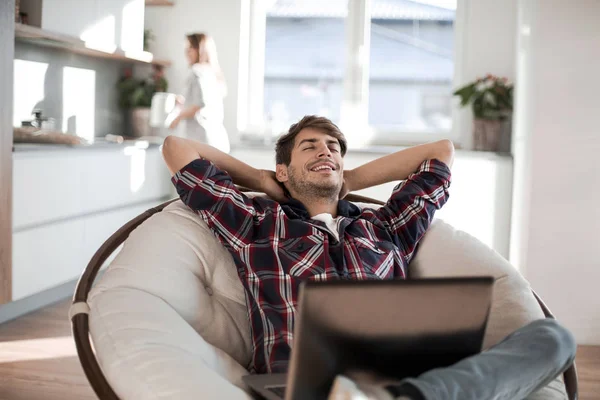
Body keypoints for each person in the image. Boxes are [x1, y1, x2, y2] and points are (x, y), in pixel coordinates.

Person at [161, 115, 576, 400]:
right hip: (308, 386)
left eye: (333, 149)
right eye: (310, 147)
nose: (326, 152)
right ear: (284, 169)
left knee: (553, 337)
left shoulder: (386, 227)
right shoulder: (255, 225)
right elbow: (178, 147)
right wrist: (265, 182)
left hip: (399, 379)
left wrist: (348, 179)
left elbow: (440, 153)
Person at [169, 32, 230, 153]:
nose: (187, 52)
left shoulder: (197, 71)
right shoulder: (212, 72)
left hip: (201, 141)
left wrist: (177, 118)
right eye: (186, 48)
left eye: (191, 47)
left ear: (201, 50)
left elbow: (199, 104)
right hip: (216, 140)